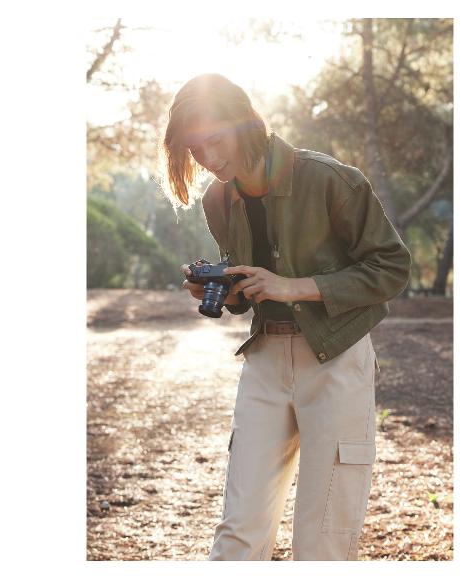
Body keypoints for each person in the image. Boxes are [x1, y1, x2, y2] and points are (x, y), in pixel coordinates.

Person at [162, 73, 411, 561]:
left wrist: (292, 287)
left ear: (247, 123)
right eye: (195, 150)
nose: (209, 160)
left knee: (322, 539)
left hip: (336, 360)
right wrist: (224, 291)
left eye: (216, 140)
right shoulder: (218, 199)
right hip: (265, 364)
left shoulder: (330, 180)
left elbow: (392, 267)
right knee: (238, 533)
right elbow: (253, 291)